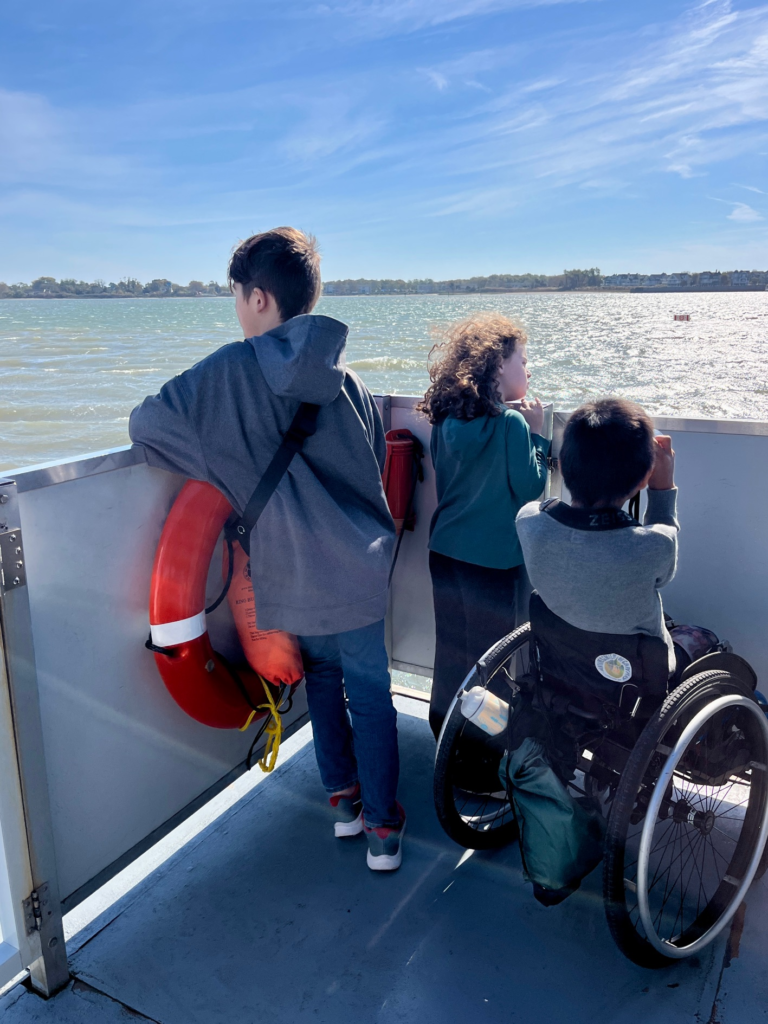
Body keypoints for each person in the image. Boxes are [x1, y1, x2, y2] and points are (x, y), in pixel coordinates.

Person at [130, 227, 405, 871]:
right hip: (361, 567)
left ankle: (343, 805)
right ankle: (384, 835)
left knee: (326, 682)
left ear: (257, 297)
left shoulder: (230, 371)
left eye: (236, 297)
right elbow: (368, 471)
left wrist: (223, 458)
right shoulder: (349, 378)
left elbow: (148, 424)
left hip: (294, 573)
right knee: (370, 693)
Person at [417, 314, 550, 740]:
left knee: (452, 650)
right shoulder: (510, 424)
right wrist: (538, 436)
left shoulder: (446, 421)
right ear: (497, 368)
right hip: (492, 561)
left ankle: (443, 736)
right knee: (489, 665)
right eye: (523, 360)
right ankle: (476, 760)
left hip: (445, 552)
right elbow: (531, 488)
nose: (528, 369)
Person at [516, 397, 679, 673]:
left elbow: (542, 509)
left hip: (564, 668)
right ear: (643, 479)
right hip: (635, 677)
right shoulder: (655, 545)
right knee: (702, 643)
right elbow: (664, 559)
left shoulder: (530, 521)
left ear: (565, 467)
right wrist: (662, 488)